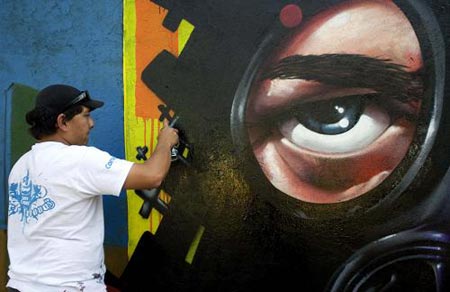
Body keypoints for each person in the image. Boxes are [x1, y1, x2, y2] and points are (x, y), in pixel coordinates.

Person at [6, 84, 179, 292]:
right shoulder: (78, 159)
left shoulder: (21, 166)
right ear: (62, 122)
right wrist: (165, 142)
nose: (92, 123)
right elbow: (153, 176)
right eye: (86, 115)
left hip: (20, 286)